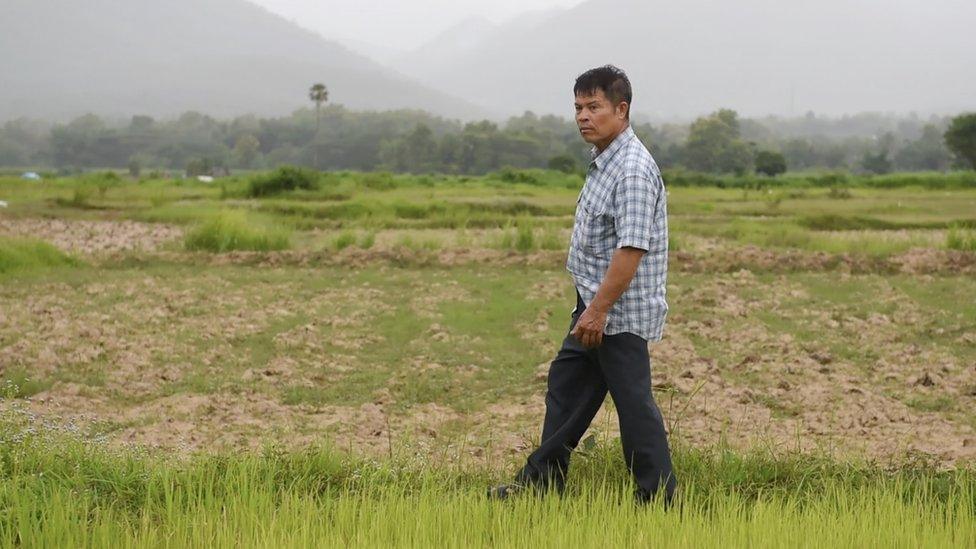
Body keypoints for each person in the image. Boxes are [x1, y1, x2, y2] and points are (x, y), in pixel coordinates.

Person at [488, 65, 676, 505]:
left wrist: (598, 310)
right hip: (594, 306)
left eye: (594, 107)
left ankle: (660, 501)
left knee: (634, 411)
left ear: (621, 109)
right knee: (567, 388)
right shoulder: (605, 161)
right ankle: (542, 484)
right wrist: (589, 307)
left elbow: (631, 248)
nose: (583, 116)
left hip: (616, 313)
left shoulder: (630, 169)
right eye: (578, 107)